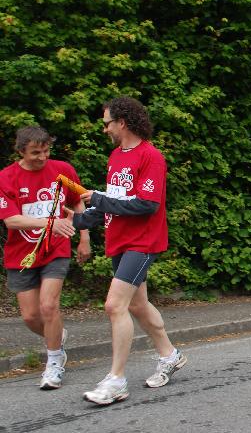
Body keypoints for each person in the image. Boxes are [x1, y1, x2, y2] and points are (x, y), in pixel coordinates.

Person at [70, 97, 185, 404]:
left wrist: (97, 199)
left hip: (142, 241)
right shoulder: (116, 156)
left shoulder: (151, 157)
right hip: (119, 239)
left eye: (107, 123)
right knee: (137, 305)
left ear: (122, 122)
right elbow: (114, 199)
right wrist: (79, 219)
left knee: (114, 305)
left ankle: (116, 380)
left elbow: (147, 205)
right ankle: (170, 355)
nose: (105, 128)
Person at [0, 126, 91, 390]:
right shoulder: (6, 178)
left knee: (49, 306)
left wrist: (84, 237)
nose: (42, 157)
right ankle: (57, 337)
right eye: (35, 153)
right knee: (30, 316)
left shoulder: (63, 170)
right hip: (22, 255)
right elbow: (12, 220)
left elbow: (78, 201)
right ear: (20, 152)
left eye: (46, 151)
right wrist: (51, 222)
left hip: (56, 249)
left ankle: (54, 362)